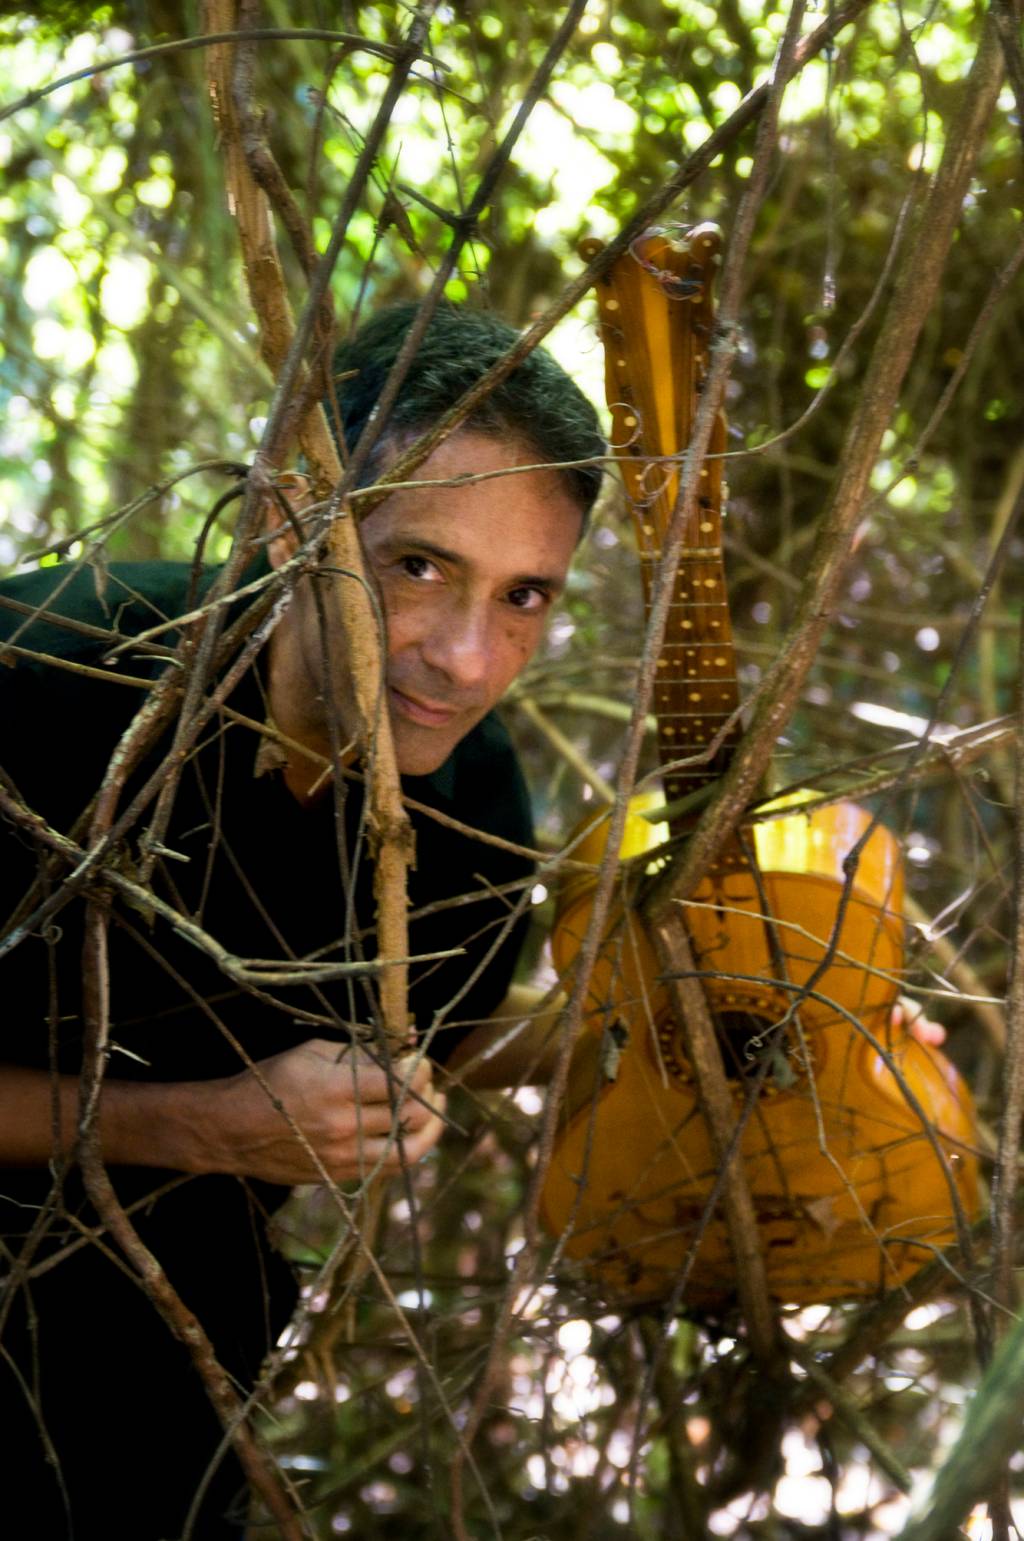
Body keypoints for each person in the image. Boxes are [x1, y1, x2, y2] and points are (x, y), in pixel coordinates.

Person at [0, 302, 605, 1537]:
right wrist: (195, 1126)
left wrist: (690, 1009)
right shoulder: (42, 677)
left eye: (525, 595)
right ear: (288, 513)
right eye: (419, 565)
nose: (467, 659)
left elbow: (443, 1029)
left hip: (157, 1393)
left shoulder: (470, 796)